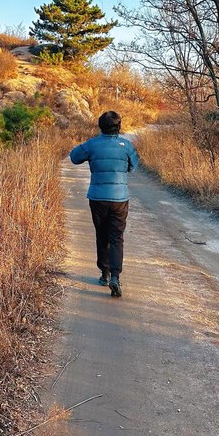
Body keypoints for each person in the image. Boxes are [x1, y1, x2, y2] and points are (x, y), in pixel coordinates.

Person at [69, 111, 139, 298]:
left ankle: (105, 273)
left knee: (102, 235)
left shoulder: (92, 144)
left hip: (97, 198)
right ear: (119, 126)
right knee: (116, 237)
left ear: (100, 126)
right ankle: (115, 276)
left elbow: (74, 157)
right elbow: (133, 167)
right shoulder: (126, 145)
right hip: (120, 199)